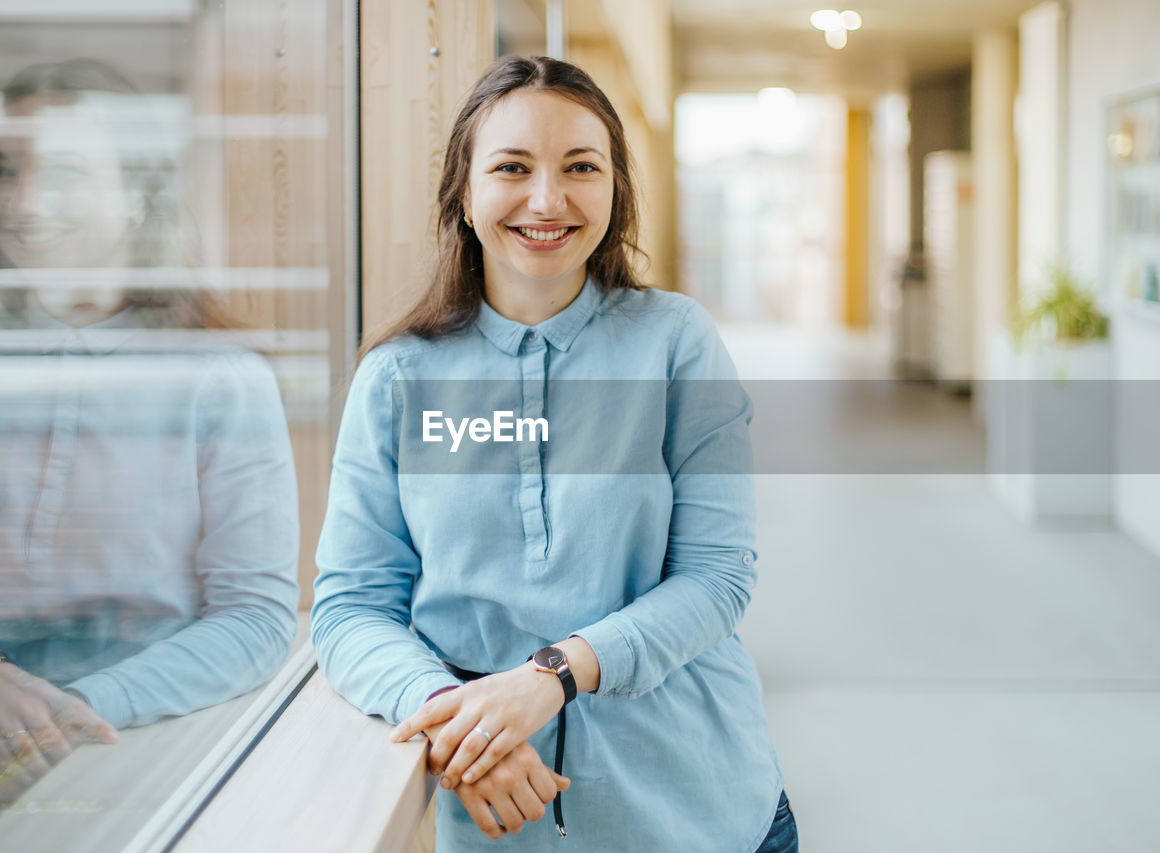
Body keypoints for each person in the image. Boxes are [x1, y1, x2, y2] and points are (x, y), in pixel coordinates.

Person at [312, 56, 797, 851]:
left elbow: (718, 575)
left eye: (581, 167)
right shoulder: (397, 377)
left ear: (615, 189)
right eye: (512, 167)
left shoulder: (676, 342)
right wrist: (453, 717)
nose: (548, 199)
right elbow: (350, 607)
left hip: (702, 811)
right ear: (463, 195)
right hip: (503, 823)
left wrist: (550, 677)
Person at [0, 59, 300, 818]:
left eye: (65, 172)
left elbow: (256, 618)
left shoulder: (219, 376)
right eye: (2, 169)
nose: (28, 203)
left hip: (146, 743)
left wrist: (67, 710)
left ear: (140, 192)